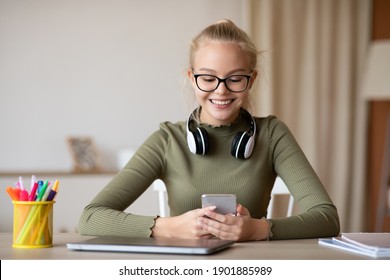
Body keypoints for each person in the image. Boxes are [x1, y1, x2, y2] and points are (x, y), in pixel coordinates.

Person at [78, 19, 340, 241]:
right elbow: (90, 218)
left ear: (252, 80)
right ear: (192, 78)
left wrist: (259, 229)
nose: (221, 90)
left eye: (235, 78)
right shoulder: (167, 140)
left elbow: (327, 218)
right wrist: (169, 227)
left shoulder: (272, 134)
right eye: (208, 78)